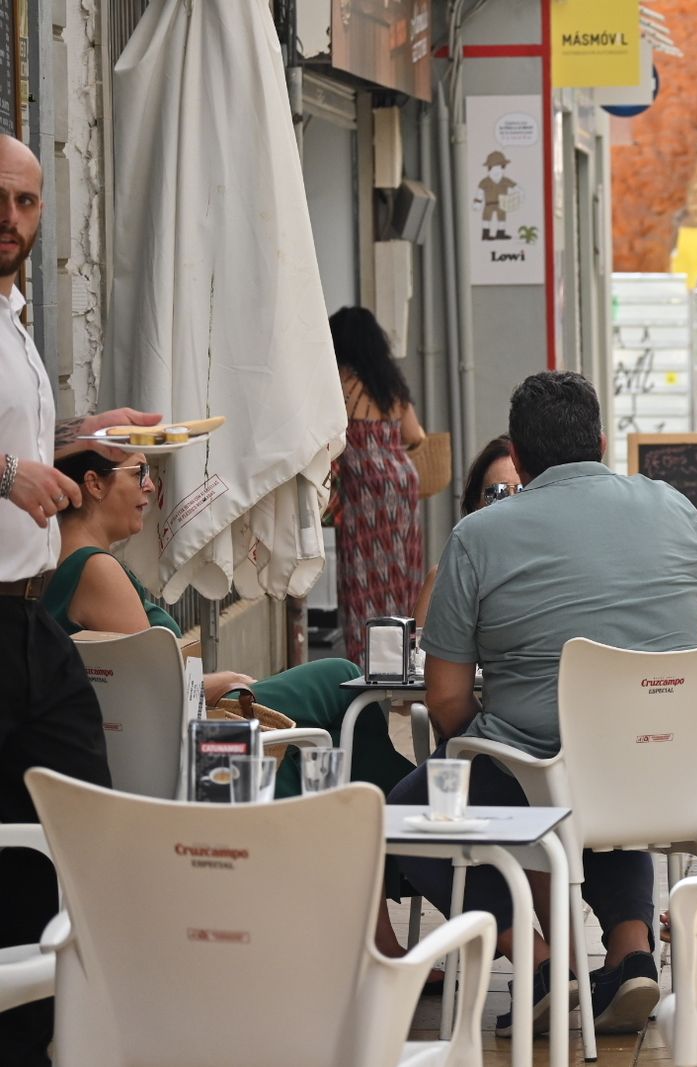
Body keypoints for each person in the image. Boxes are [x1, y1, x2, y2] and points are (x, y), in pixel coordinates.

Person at [392, 371, 697, 1034]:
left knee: (410, 810)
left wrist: (477, 744)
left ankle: (538, 961)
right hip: (669, 765)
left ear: (520, 453)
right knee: (603, 769)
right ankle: (631, 953)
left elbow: (446, 696)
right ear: (599, 440)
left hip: (540, 769)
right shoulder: (678, 509)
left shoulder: (480, 536)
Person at [0, 132, 163, 1065]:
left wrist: (79, 437)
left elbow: (23, 454)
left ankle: (47, 1034)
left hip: (28, 619)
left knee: (79, 836)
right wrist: (8, 474)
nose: (11, 220)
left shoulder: (16, 314)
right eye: (0, 200)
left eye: (27, 203)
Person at [44, 449, 416, 798]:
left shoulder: (55, 562)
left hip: (163, 739)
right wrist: (223, 682)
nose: (151, 485)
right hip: (186, 739)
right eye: (140, 471)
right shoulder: (96, 569)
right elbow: (157, 693)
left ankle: (389, 807)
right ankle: (403, 806)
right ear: (94, 484)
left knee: (336, 737)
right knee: (343, 677)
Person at [330, 306, 426, 665]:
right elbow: (415, 434)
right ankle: (405, 657)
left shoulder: (341, 383)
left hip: (364, 489)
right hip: (401, 483)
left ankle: (367, 661)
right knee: (401, 573)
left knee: (363, 578)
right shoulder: (389, 382)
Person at [415, 434, 517, 628]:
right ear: (475, 503)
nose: (510, 506)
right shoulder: (443, 579)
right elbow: (416, 656)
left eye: (522, 491)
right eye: (498, 494)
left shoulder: (553, 576)